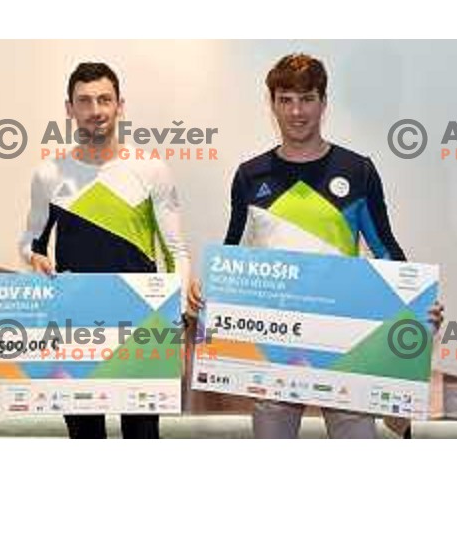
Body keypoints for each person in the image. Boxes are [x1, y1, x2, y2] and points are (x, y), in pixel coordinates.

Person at [188, 53, 443, 439]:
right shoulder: (249, 176)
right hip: (273, 348)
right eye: (286, 99)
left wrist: (418, 302)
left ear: (324, 102)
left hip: (346, 347)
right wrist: (206, 290)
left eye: (307, 98)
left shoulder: (358, 171)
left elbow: (386, 250)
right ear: (271, 104)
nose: (296, 111)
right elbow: (232, 253)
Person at [19, 62, 190, 438]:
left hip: (142, 325)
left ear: (119, 105)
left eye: (104, 99)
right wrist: (35, 257)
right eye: (84, 101)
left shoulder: (150, 169)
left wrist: (175, 318)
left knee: (142, 436)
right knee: (85, 437)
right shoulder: (49, 174)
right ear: (70, 109)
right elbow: (29, 242)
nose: (95, 110)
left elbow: (176, 249)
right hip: (75, 325)